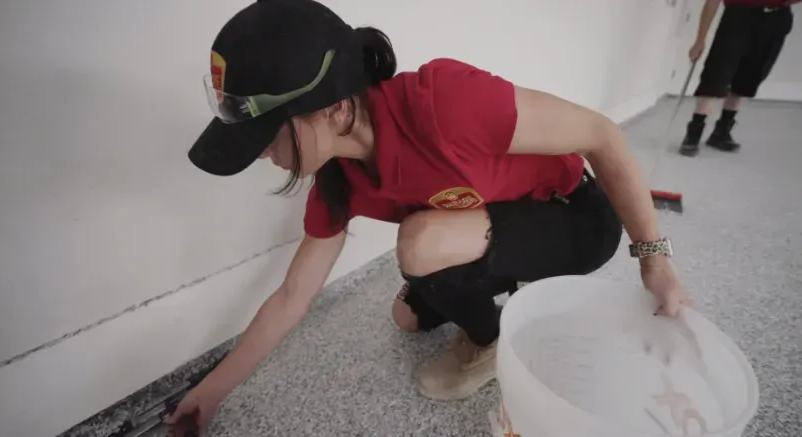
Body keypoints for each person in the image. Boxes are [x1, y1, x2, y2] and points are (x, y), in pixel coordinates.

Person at [167, 0, 690, 434]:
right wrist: (209, 393)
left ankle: (492, 344)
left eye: (270, 135)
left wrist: (654, 262)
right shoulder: (338, 179)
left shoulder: (445, 103)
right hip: (487, 224)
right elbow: (292, 297)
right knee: (407, 317)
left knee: (421, 245)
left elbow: (603, 135)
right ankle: (513, 292)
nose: (261, 154)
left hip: (574, 218)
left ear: (335, 108)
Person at [680, 0, 797, 157]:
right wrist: (700, 40)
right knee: (717, 72)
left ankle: (721, 132)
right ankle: (694, 132)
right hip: (739, 15)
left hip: (776, 18)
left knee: (749, 77)